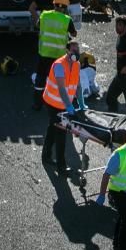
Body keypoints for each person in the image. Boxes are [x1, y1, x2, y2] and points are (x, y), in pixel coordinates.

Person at [41, 39, 83, 175]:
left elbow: (78, 85)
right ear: (67, 50)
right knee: (61, 133)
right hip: (52, 103)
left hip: (64, 104)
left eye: (78, 50)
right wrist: (70, 107)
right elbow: (61, 89)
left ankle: (46, 156)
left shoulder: (77, 64)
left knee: (53, 129)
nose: (76, 52)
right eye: (73, 50)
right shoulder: (59, 65)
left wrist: (81, 102)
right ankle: (61, 166)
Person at [33, 0, 77, 110]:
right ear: (66, 7)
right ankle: (55, 104)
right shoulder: (67, 19)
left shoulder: (44, 15)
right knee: (58, 81)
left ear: (54, 4)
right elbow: (74, 33)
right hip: (58, 57)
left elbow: (37, 25)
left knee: (40, 79)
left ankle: (37, 104)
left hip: (44, 53)